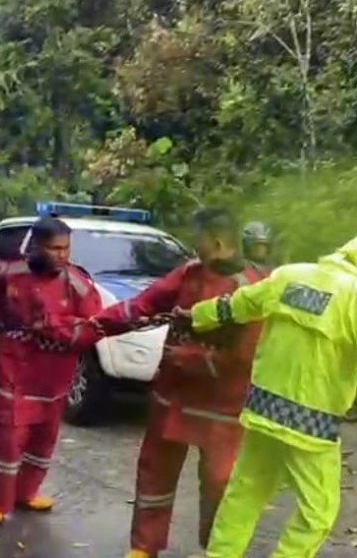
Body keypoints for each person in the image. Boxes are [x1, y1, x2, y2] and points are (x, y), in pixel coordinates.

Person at [179, 231, 357, 558]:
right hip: (311, 425)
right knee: (318, 511)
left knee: (244, 495)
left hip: (263, 411)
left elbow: (241, 304)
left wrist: (196, 315)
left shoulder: (290, 275)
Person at [91, 207, 265, 558]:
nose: (193, 245)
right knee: (155, 470)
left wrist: (193, 359)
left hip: (222, 405)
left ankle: (218, 548)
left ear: (216, 242)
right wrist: (93, 324)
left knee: (220, 480)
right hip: (172, 396)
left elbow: (248, 355)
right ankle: (144, 545)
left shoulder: (252, 289)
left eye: (197, 239)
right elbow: (144, 304)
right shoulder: (189, 273)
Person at [0, 216, 104, 526]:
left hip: (54, 377)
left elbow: (95, 327)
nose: (62, 255)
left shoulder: (77, 283)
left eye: (66, 248)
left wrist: (53, 329)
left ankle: (27, 493)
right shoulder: (9, 275)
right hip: (13, 371)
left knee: (42, 440)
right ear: (35, 245)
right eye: (54, 248)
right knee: (8, 440)